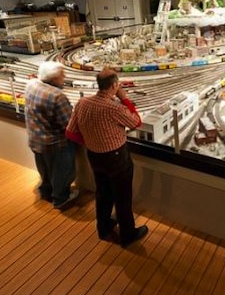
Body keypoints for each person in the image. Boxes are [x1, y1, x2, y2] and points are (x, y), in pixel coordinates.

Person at [65, 68, 148, 247]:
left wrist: (90, 142)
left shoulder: (82, 103)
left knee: (102, 193)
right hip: (117, 157)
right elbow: (136, 122)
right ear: (114, 86)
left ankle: (103, 228)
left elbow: (71, 133)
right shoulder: (114, 107)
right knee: (123, 196)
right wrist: (124, 98)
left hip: (94, 156)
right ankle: (128, 234)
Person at [24, 61, 79, 209]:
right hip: (55, 144)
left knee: (45, 170)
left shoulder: (31, 84)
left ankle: (46, 192)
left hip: (35, 139)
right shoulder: (57, 96)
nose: (64, 77)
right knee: (62, 172)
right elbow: (69, 125)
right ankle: (61, 199)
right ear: (54, 79)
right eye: (62, 75)